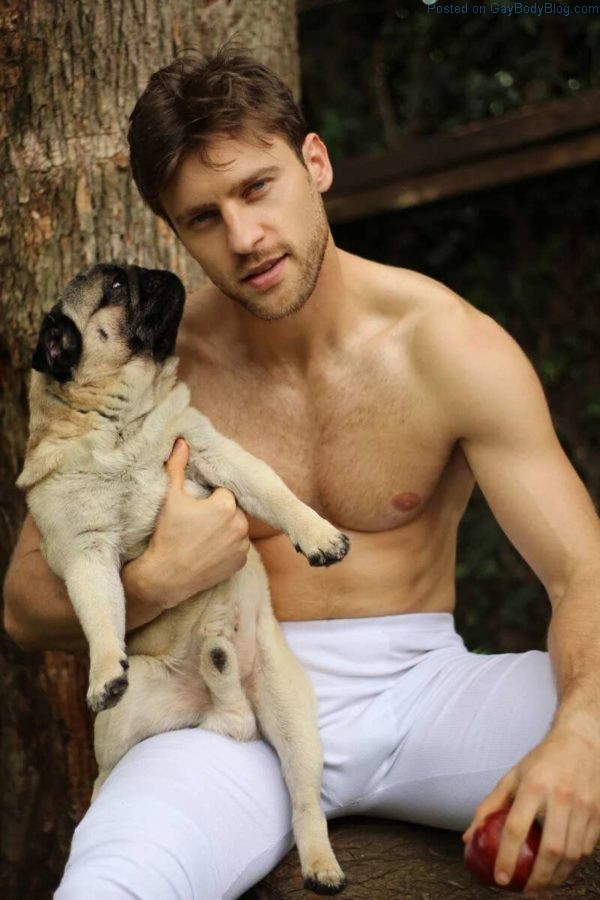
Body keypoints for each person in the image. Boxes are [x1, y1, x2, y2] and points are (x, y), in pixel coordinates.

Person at [4, 45, 600, 900]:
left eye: (257, 187)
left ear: (313, 163)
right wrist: (157, 579)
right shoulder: (157, 373)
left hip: (421, 691)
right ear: (175, 235)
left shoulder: (448, 346)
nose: (244, 238)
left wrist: (580, 734)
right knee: (115, 882)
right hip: (220, 710)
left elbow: (583, 572)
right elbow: (24, 607)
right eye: (203, 218)